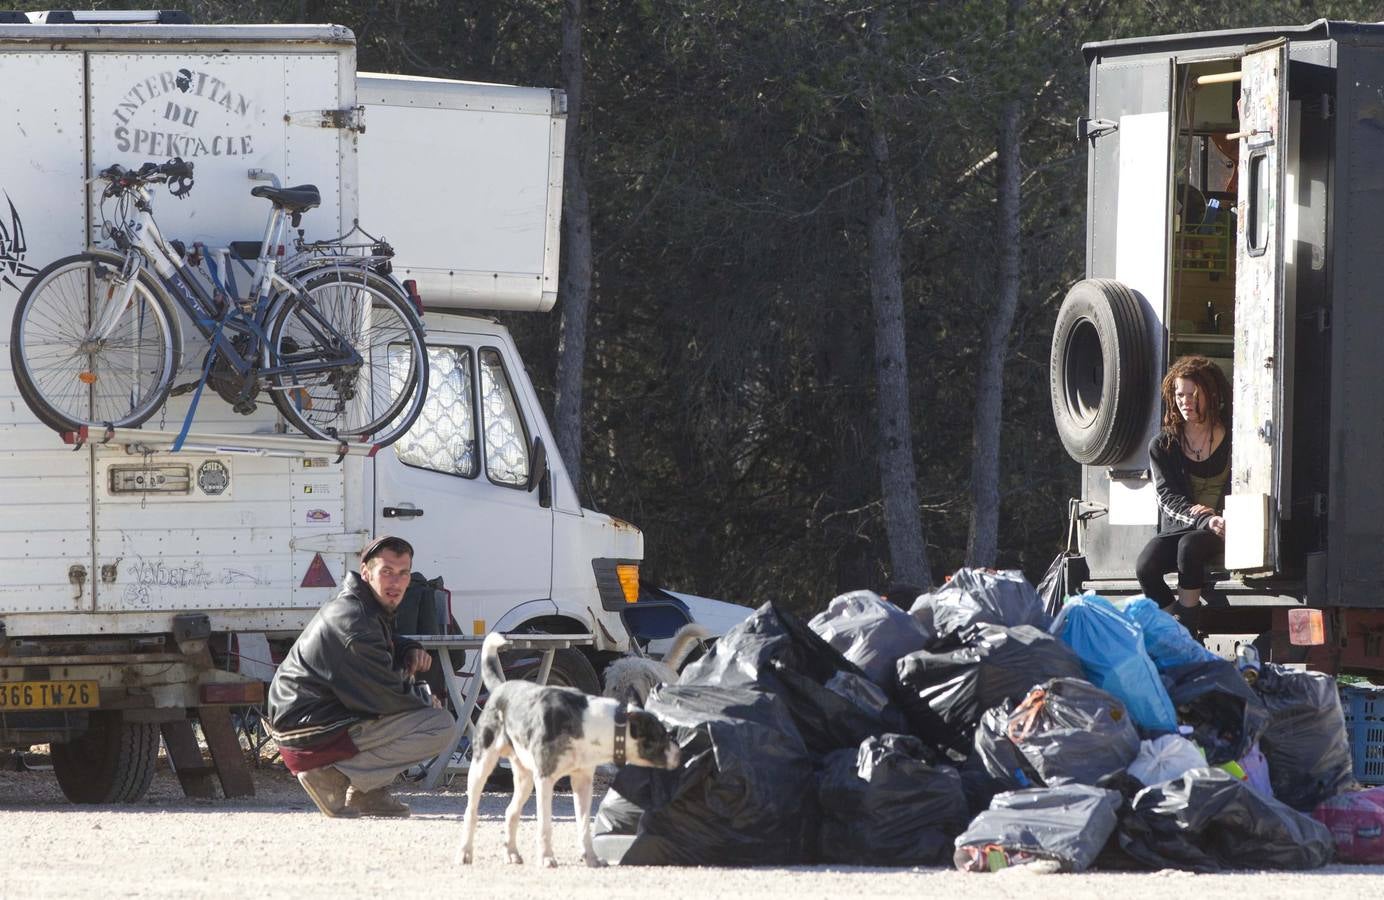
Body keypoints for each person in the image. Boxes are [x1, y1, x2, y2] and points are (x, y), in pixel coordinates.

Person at [267, 535, 457, 818]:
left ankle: (368, 794)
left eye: (403, 573)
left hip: (310, 720)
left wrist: (408, 648)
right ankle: (331, 777)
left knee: (422, 714)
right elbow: (385, 697)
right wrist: (424, 699)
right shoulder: (356, 622)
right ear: (366, 573)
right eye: (387, 572)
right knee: (439, 725)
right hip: (309, 733)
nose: (396, 583)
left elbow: (386, 641)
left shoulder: (361, 606)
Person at [1136, 356, 1231, 635]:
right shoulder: (1163, 444)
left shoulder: (1235, 439)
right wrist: (1205, 520)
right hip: (1188, 525)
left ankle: (1187, 631)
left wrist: (1222, 521)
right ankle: (1176, 629)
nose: (1185, 401)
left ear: (1211, 395)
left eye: (1193, 394)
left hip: (1225, 529)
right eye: (1179, 395)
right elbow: (1167, 498)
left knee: (1190, 547)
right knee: (1146, 565)